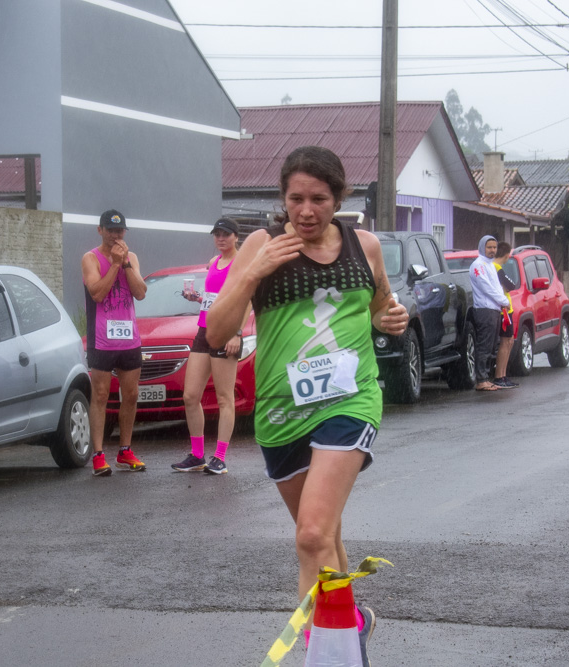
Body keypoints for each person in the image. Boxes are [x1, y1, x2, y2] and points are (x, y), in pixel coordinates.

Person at [206, 146, 407, 664]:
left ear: (338, 198)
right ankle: (352, 621)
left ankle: (330, 656)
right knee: (326, 541)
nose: (307, 211)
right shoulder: (261, 244)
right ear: (283, 199)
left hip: (350, 399)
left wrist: (389, 319)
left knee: (311, 533)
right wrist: (253, 273)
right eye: (296, 199)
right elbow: (217, 331)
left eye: (319, 199)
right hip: (280, 411)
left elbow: (384, 305)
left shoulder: (364, 247)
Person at [171, 217, 250, 475]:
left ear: (236, 237)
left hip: (227, 331)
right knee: (190, 395)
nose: (221, 238)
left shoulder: (241, 263)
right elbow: (215, 299)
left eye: (226, 234)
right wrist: (198, 299)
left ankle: (220, 457)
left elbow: (245, 300)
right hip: (204, 330)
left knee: (224, 397)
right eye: (217, 234)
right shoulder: (214, 263)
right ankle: (197, 455)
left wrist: (236, 333)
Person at [82, 209, 148, 476]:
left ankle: (125, 450)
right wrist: (115, 265)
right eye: (110, 230)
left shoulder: (131, 257)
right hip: (101, 338)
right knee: (100, 395)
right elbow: (97, 293)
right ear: (100, 231)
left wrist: (127, 264)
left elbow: (141, 293)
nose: (115, 236)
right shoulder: (90, 258)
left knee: (130, 395)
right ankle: (98, 454)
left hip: (128, 337)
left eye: (119, 231)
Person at [468, 235, 509, 392]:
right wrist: (503, 300)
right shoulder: (478, 265)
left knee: (492, 345)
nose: (492, 250)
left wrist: (501, 303)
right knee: (484, 346)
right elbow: (487, 287)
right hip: (485, 310)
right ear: (482, 248)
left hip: (495, 309)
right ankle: (481, 379)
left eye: (494, 247)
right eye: (489, 247)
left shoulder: (490, 265)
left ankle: (486, 378)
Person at [492, 242, 519, 389]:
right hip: (503, 310)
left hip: (506, 309)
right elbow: (510, 285)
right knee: (505, 342)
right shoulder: (497, 269)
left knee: (510, 341)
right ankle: (499, 376)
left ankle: (503, 375)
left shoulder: (496, 268)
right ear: (507, 255)